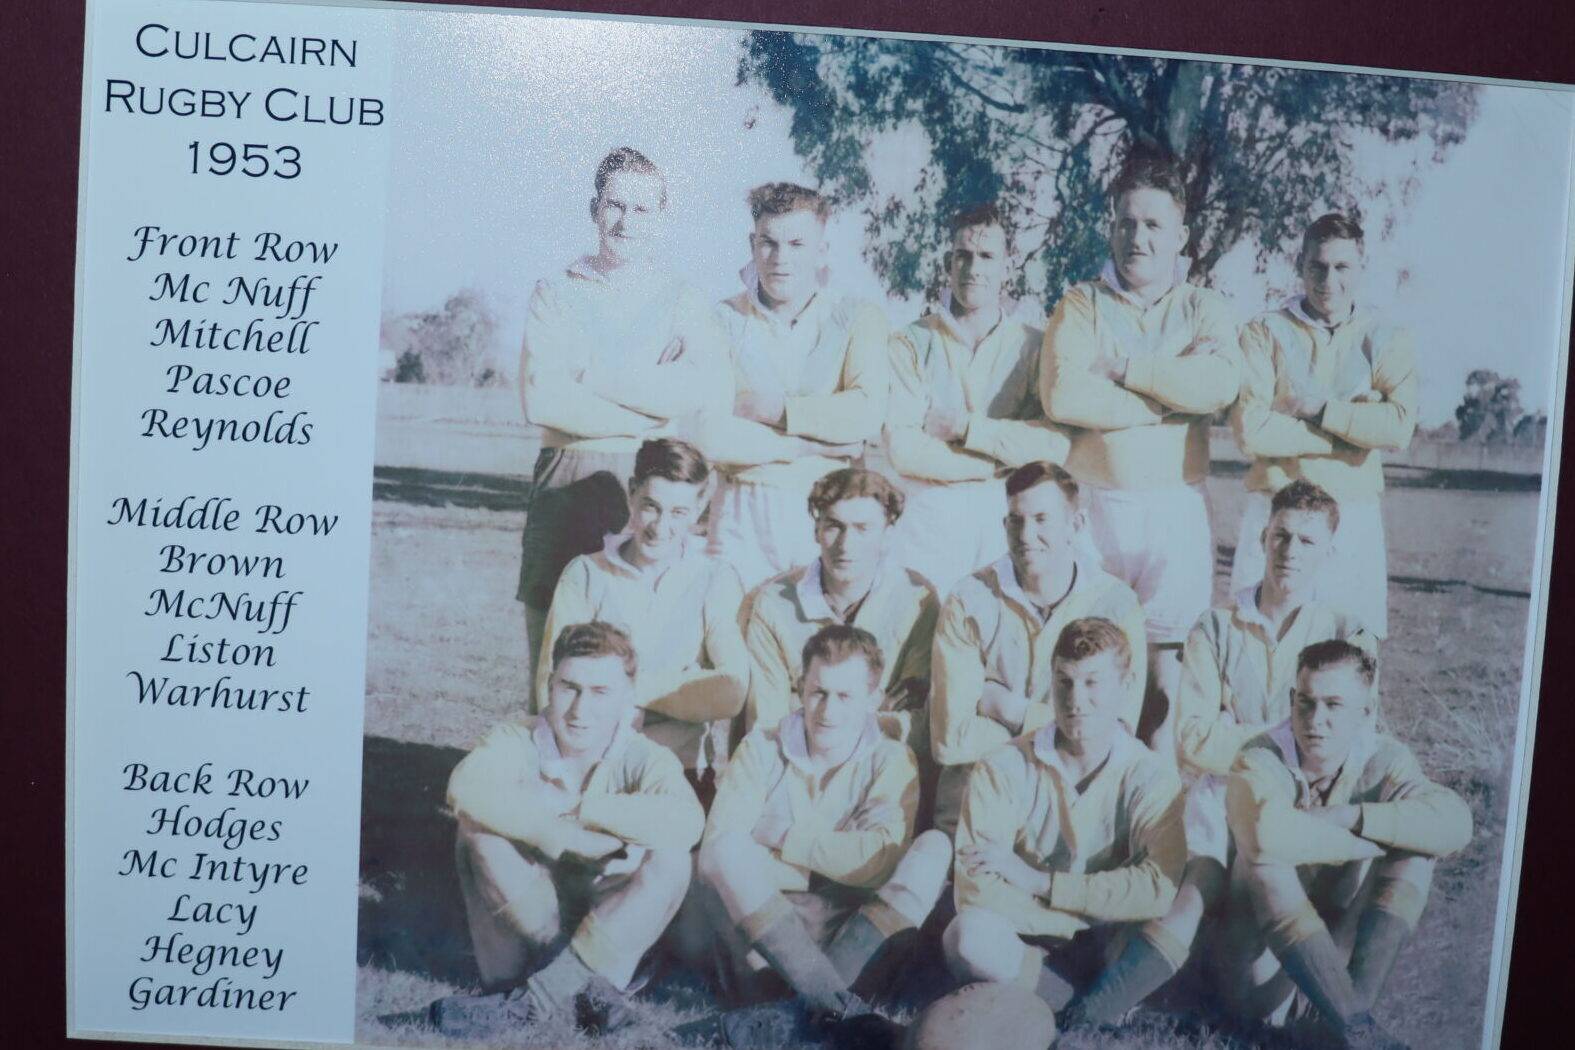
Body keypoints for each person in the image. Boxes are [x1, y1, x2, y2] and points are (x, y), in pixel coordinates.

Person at [1038, 146, 1241, 737]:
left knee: (1166, 684)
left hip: (1176, 510)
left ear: (1182, 233)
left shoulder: (1204, 307)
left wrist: (1125, 369)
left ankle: (1157, 818)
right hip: (1096, 512)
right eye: (1126, 222)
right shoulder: (1080, 303)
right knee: (1092, 673)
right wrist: (1170, 402)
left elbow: (1220, 384)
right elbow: (1064, 397)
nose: (1138, 237)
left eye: (1153, 224)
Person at [516, 147, 731, 678]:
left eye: (641, 209)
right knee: (555, 660)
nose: (625, 221)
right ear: (594, 208)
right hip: (566, 480)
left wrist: (589, 376)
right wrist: (650, 415)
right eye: (615, 205)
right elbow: (543, 399)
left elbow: (698, 390)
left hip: (649, 484)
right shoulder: (556, 291)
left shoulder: (684, 299)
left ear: (661, 216)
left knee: (646, 653)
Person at [430, 622, 703, 1038]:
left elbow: (687, 821)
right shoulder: (517, 738)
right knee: (478, 832)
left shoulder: (645, 756)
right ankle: (579, 992)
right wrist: (568, 837)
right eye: (569, 688)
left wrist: (583, 808)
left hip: (604, 931)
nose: (579, 710)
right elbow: (465, 787)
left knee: (672, 860)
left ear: (628, 698)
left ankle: (535, 1000)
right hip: (520, 944)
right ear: (549, 685)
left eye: (599, 693)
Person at [694, 624, 953, 1046]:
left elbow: (879, 862)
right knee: (725, 851)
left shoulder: (891, 758)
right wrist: (833, 866)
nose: (827, 711)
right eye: (818, 692)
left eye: (845, 696)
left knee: (934, 848)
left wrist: (783, 837)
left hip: (854, 935)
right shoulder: (762, 747)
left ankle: (799, 1010)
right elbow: (716, 856)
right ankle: (841, 1010)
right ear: (801, 687)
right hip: (771, 937)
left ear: (873, 698)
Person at [1217, 639, 1472, 1048]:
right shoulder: (1261, 756)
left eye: (1334, 705)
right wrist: (1371, 842)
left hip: (1332, 963)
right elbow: (1267, 833)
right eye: (1306, 702)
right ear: (1291, 700)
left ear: (1365, 712)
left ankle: (1346, 1022)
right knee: (1265, 861)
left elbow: (1456, 823)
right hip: (1255, 977)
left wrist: (1350, 817)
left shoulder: (1383, 758)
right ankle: (1357, 1029)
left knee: (1416, 851)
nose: (1316, 721)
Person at [945, 618, 1190, 1027]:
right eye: (1065, 681)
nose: (1075, 699)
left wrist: (1042, 884)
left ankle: (1057, 1003)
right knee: (966, 937)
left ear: (1126, 686)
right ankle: (1084, 1007)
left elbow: (1157, 888)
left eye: (1093, 682)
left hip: (1109, 937)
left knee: (1188, 898)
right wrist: (1071, 919)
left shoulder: (1151, 775)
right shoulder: (1003, 765)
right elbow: (975, 892)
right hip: (1028, 938)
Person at [930, 462, 1146, 835]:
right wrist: (1067, 730)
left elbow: (1118, 734)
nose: (1027, 535)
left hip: (1075, 814)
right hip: (977, 807)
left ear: (1075, 525)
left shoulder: (1115, 603)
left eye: (1042, 519)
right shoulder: (969, 599)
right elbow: (950, 741)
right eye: (1016, 520)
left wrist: (1006, 708)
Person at [1231, 213, 1419, 638]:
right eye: (1317, 266)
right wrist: (1353, 433)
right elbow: (1252, 431)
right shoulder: (1264, 331)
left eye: (1342, 267)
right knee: (1258, 643)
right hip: (1275, 507)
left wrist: (1318, 410)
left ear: (1361, 268)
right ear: (1301, 265)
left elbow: (1398, 428)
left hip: (1353, 510)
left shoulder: (1386, 336)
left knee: (1353, 647)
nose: (1328, 280)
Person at [700, 182, 890, 590]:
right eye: (768, 243)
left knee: (820, 646)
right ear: (752, 244)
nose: (781, 259)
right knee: (731, 641)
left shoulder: (857, 317)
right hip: (740, 508)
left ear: (821, 249)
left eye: (797, 244)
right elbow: (711, 435)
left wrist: (773, 410)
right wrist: (813, 443)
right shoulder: (721, 320)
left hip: (828, 511)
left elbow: (866, 414)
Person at [534, 438, 749, 794]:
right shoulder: (586, 573)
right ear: (632, 493)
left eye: (678, 513)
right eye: (651, 506)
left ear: (699, 509)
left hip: (678, 768)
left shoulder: (715, 579)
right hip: (591, 762)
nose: (660, 527)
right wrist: (682, 688)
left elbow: (731, 691)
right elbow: (550, 685)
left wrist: (620, 691)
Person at [883, 202, 1072, 595]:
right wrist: (999, 462)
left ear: (1009, 265)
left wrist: (966, 428)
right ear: (948, 261)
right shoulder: (911, 342)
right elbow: (904, 450)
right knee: (924, 637)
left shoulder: (1033, 346)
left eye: (987, 256)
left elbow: (1053, 444)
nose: (973, 268)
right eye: (963, 255)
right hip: (928, 514)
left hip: (1006, 516)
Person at [741, 468, 938, 757]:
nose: (846, 545)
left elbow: (918, 726)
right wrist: (871, 708)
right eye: (834, 526)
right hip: (797, 770)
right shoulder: (774, 603)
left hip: (885, 769)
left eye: (862, 528)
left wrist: (810, 707)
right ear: (816, 529)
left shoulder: (917, 599)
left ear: (887, 534)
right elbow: (768, 727)